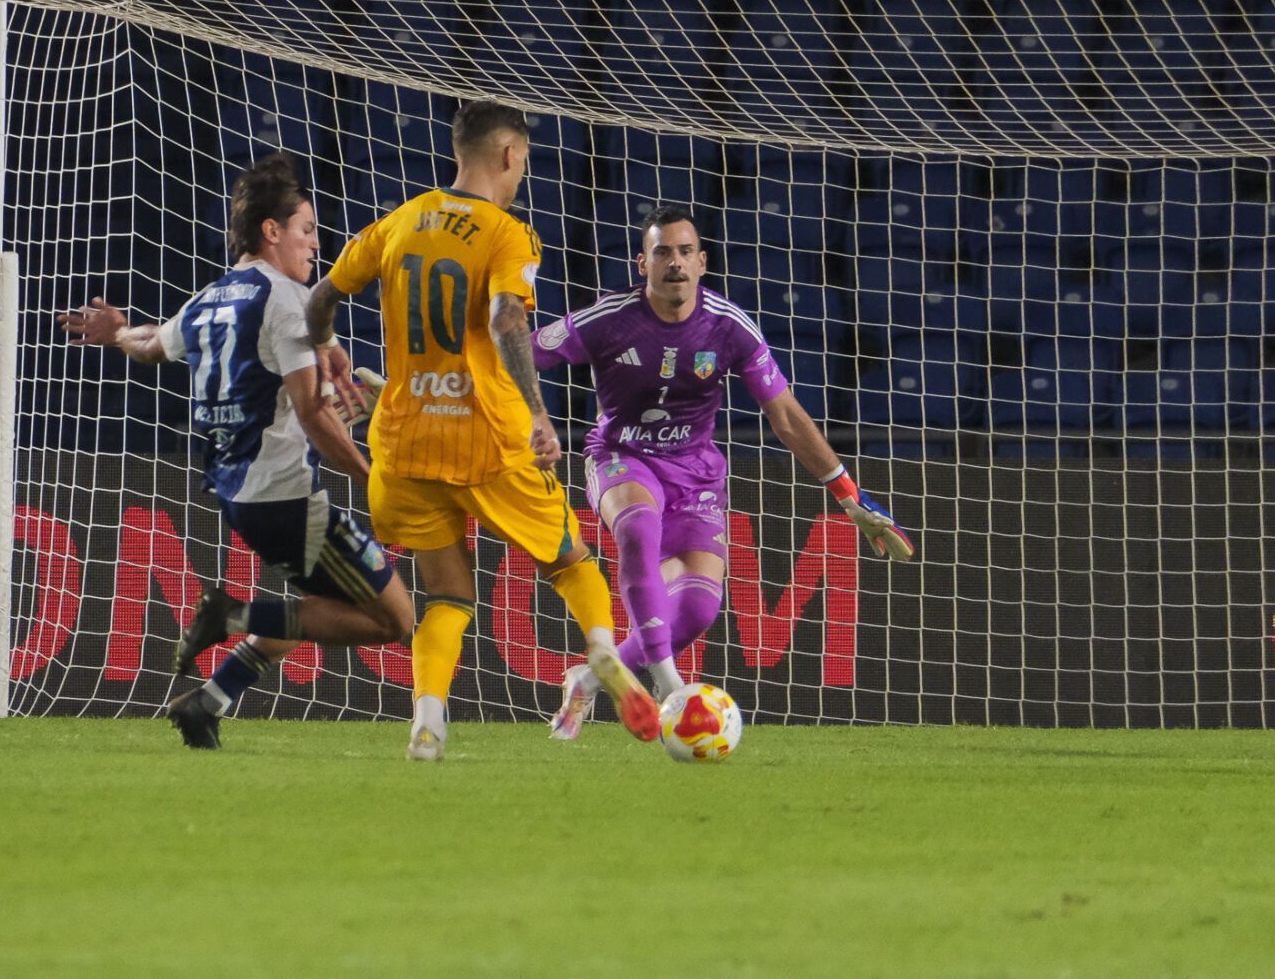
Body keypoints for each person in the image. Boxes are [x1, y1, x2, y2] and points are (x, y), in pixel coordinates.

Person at [307, 100, 658, 759]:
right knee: (571, 561)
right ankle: (605, 654)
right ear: (508, 155)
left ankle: (428, 719)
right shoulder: (508, 233)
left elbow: (321, 298)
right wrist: (539, 413)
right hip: (488, 440)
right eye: (522, 159)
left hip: (405, 443)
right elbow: (504, 318)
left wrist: (326, 347)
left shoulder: (397, 223)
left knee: (445, 591)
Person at [61, 154, 414, 751]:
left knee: (316, 606)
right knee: (396, 620)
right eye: (306, 229)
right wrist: (374, 477)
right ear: (271, 231)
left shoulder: (212, 296)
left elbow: (152, 344)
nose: (315, 244)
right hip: (287, 496)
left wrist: (116, 331)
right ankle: (231, 617)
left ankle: (208, 702)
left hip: (238, 496)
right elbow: (312, 412)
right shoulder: (286, 302)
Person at [536, 203, 914, 740]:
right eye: (662, 251)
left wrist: (847, 493)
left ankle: (589, 680)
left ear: (702, 261)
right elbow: (517, 354)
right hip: (622, 456)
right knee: (638, 531)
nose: (675, 263)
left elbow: (783, 413)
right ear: (641, 264)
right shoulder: (607, 318)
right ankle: (669, 690)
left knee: (694, 611)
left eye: (686, 251)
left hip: (696, 473)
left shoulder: (728, 326)